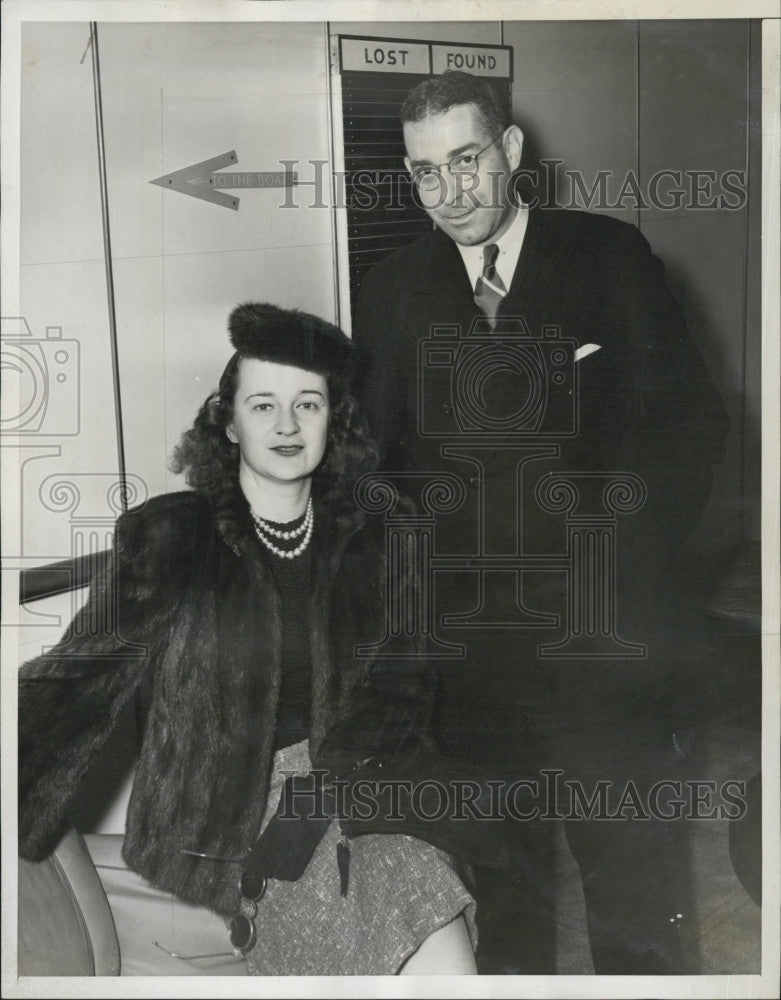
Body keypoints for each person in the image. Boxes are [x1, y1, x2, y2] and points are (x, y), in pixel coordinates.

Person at [353, 71, 730, 973]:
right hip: (471, 666)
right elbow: (375, 469)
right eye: (425, 171)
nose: (450, 192)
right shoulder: (392, 288)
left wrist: (619, 575)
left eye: (468, 159)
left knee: (634, 891)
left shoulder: (608, 258)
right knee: (505, 898)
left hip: (601, 650)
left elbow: (688, 432)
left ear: (512, 152)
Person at [17, 302, 478, 976]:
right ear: (227, 422)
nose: (287, 425)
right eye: (263, 406)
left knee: (414, 878)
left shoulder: (383, 534)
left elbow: (400, 696)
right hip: (224, 811)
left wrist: (330, 798)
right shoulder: (173, 536)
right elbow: (75, 683)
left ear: (335, 421)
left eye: (308, 405)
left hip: (356, 787)